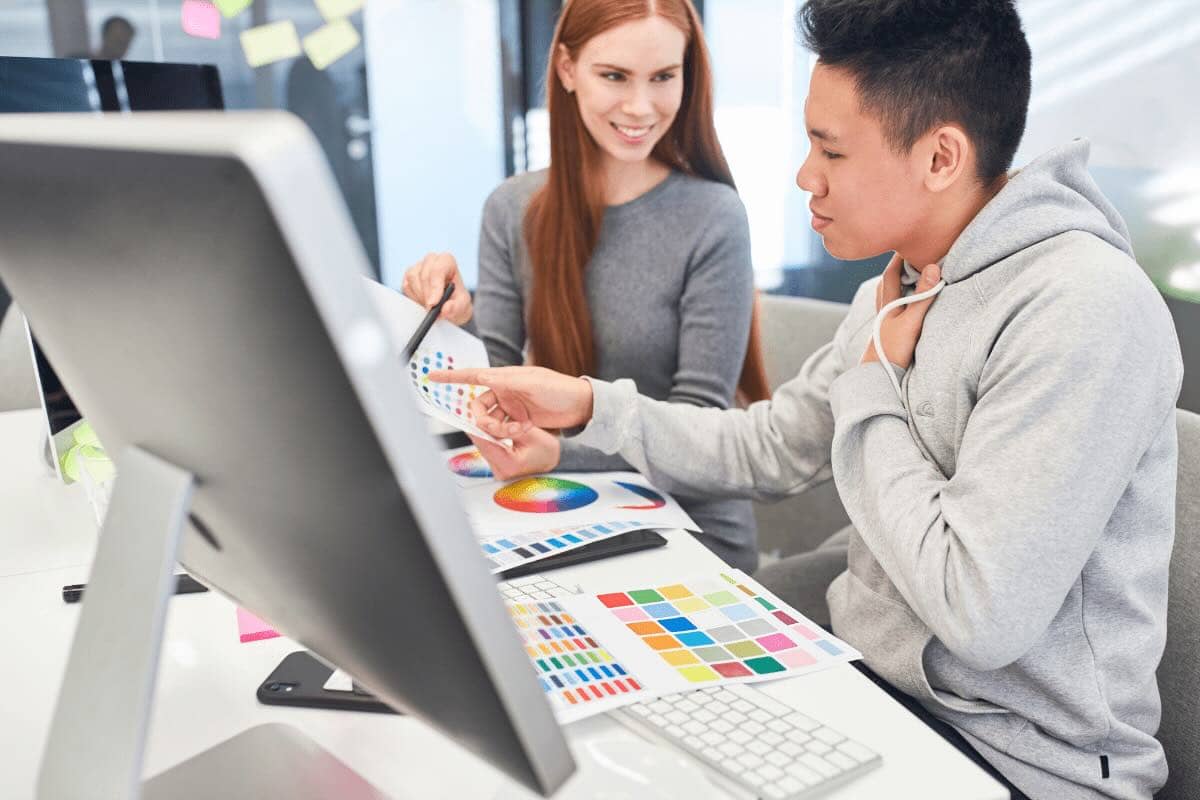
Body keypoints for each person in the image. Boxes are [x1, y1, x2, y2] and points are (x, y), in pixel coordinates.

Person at [433, 1, 1184, 798]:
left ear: (940, 157)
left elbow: (980, 613)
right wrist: (589, 405)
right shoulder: (898, 288)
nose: (804, 176)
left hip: (1022, 760)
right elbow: (772, 445)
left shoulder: (1084, 309)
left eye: (830, 150)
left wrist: (873, 386)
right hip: (869, 687)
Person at [402, 0, 769, 571]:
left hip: (690, 530)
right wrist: (452, 321)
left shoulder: (713, 216)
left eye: (664, 77)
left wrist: (558, 453)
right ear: (568, 70)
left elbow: (697, 423)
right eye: (615, 76)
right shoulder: (512, 208)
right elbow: (493, 386)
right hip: (565, 513)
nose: (641, 106)